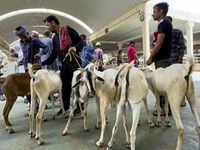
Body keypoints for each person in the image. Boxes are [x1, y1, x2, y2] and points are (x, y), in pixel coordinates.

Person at [34, 15, 84, 116]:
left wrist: (75, 48)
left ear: (53, 22)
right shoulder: (55, 38)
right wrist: (41, 64)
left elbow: (81, 41)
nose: (48, 28)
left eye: (48, 25)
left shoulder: (68, 30)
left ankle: (80, 108)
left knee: (77, 86)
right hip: (64, 66)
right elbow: (54, 55)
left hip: (75, 64)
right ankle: (65, 107)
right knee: (64, 87)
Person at [13, 25, 49, 116]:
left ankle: (41, 106)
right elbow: (26, 54)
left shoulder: (35, 41)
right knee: (28, 89)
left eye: (24, 37)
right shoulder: (21, 43)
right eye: (21, 38)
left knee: (37, 88)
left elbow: (46, 48)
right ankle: (34, 107)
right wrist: (22, 61)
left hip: (36, 69)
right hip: (26, 69)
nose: (24, 39)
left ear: (28, 34)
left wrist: (40, 54)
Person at [146, 2, 173, 116]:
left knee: (161, 84)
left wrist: (151, 57)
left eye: (154, 11)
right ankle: (164, 107)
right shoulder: (164, 23)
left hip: (162, 58)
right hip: (162, 58)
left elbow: (160, 42)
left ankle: (164, 109)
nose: (153, 14)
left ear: (161, 11)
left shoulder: (163, 23)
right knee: (163, 83)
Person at [167, 16, 186, 106]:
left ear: (170, 22)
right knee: (168, 81)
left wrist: (180, 58)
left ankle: (181, 100)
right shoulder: (162, 34)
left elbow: (181, 46)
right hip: (166, 59)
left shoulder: (177, 32)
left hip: (175, 59)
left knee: (178, 80)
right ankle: (169, 100)